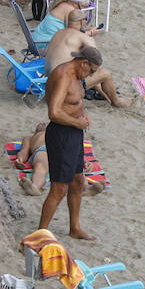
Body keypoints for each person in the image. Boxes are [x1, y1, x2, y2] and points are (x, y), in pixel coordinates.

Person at [38, 50, 98, 240]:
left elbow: (75, 101)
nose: (90, 75)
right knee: (59, 188)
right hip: (62, 134)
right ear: (84, 63)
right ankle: (41, 234)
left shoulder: (77, 76)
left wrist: (82, 115)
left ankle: (74, 228)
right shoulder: (64, 75)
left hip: (74, 133)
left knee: (78, 181)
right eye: (91, 71)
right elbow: (54, 112)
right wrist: (75, 122)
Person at [43, 9, 133, 108]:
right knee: (105, 74)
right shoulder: (83, 38)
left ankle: (100, 89)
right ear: (82, 22)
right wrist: (89, 36)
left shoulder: (58, 33)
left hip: (48, 83)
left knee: (81, 65)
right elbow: (96, 59)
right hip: (62, 87)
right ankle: (117, 102)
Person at [31, 0, 95, 49]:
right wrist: (90, 33)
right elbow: (74, 36)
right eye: (82, 6)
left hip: (36, 40)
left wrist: (85, 29)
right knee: (85, 45)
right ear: (75, 3)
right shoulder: (70, 11)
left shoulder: (61, 4)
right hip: (45, 45)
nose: (82, 9)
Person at [12, 122, 49, 195]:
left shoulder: (57, 132)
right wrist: (20, 159)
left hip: (60, 151)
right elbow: (23, 152)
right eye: (41, 123)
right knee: (40, 167)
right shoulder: (29, 138)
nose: (43, 123)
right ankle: (34, 187)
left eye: (46, 123)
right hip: (43, 150)